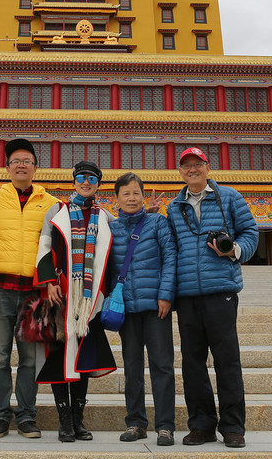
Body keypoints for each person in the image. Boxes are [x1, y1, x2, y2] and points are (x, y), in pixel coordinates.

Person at [166, 147, 258, 449]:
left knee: (227, 360)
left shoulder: (229, 197)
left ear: (208, 167)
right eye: (186, 165)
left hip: (221, 292)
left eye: (197, 164)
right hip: (187, 295)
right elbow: (171, 248)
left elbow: (250, 232)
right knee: (193, 363)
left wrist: (233, 250)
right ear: (180, 171)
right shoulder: (174, 206)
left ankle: (233, 427)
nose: (192, 169)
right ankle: (202, 424)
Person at [0, 138, 58, 439]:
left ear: (36, 168)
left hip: (33, 295)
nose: (21, 165)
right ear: (7, 168)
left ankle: (26, 416)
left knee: (28, 359)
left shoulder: (51, 203)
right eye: (15, 161)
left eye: (27, 160)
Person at [34, 160, 117, 442]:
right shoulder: (57, 211)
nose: (86, 181)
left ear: (98, 184)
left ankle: (78, 420)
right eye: (81, 177)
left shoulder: (104, 216)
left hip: (90, 299)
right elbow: (45, 244)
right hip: (61, 294)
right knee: (59, 358)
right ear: (73, 181)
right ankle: (64, 421)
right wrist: (48, 282)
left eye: (92, 178)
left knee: (83, 358)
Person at [108, 172, 177, 447]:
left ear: (143, 196)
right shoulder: (110, 229)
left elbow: (171, 257)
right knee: (132, 367)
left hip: (156, 306)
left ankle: (165, 426)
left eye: (136, 193)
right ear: (116, 199)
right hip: (127, 309)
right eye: (126, 194)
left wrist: (166, 294)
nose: (132, 198)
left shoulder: (158, 222)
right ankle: (136, 423)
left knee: (162, 365)